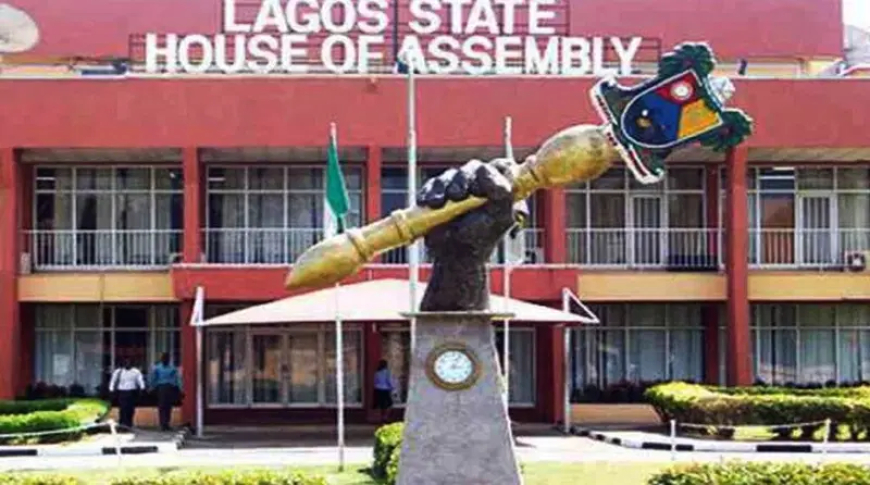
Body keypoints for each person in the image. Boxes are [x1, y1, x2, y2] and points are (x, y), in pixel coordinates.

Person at [109, 358, 145, 429]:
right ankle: (122, 423)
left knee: (130, 409)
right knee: (122, 408)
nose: (127, 364)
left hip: (132, 392)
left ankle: (129, 423)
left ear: (132, 364)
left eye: (129, 363)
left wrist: (142, 388)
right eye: (126, 363)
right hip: (122, 392)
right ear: (123, 363)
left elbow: (140, 380)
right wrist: (111, 390)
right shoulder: (118, 371)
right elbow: (113, 381)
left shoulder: (136, 371)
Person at [149, 353, 181, 432]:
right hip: (161, 388)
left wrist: (179, 389)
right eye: (163, 358)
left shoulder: (172, 368)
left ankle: (166, 423)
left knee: (168, 406)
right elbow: (153, 378)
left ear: (168, 359)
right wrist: (151, 387)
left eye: (166, 358)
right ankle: (162, 424)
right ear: (161, 359)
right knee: (162, 406)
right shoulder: (157, 368)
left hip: (170, 387)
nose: (165, 360)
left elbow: (176, 379)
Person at [373, 359, 395, 424]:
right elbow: (389, 381)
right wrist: (393, 388)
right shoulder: (387, 372)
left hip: (378, 390)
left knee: (382, 405)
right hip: (385, 389)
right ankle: (386, 417)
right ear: (386, 365)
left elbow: (375, 382)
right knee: (390, 404)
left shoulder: (377, 372)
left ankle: (382, 417)